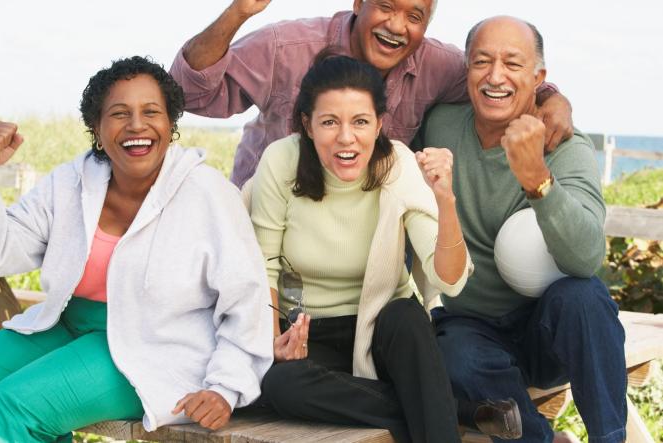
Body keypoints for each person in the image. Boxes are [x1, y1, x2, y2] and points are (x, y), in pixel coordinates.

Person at [0, 56, 274, 442]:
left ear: (170, 123)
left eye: (151, 112)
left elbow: (248, 301)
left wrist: (226, 386)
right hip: (71, 326)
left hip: (156, 346)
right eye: (119, 113)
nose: (137, 126)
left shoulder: (208, 194)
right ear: (97, 127)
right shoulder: (70, 183)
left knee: (16, 404)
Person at [249, 49, 519, 443]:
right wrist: (275, 342)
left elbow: (450, 279)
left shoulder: (398, 165)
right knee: (280, 384)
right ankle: (454, 408)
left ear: (379, 124)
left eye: (360, 121)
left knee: (406, 318)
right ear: (307, 124)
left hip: (384, 331)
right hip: (310, 334)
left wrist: (445, 199)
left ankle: (437, 410)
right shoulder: (281, 161)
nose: (346, 137)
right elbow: (265, 264)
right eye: (329, 122)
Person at [416, 17, 627, 443]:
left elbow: (586, 257)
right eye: (482, 62)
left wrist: (538, 180)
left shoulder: (566, 147)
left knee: (585, 296)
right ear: (466, 71)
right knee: (448, 350)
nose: (495, 76)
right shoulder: (439, 125)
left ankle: (611, 438)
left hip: (548, 330)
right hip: (473, 328)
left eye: (512, 64)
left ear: (538, 79)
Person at [170, 0, 574, 187]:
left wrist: (552, 98)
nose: (397, 26)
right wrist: (237, 12)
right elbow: (189, 93)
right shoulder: (285, 47)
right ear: (359, 3)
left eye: (414, 16)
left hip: (360, 245)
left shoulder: (439, 65)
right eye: (385, 6)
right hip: (267, 225)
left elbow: (493, 81)